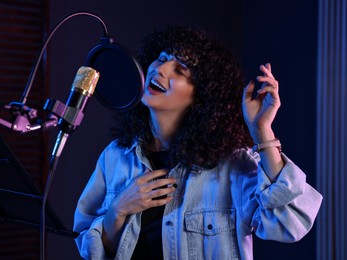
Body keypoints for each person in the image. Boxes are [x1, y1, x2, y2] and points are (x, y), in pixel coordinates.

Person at [73, 25, 322, 260]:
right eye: (160, 58)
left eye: (179, 70)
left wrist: (262, 131)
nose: (160, 69)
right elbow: (87, 247)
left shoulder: (233, 165)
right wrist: (117, 211)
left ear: (201, 96)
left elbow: (290, 223)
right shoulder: (115, 156)